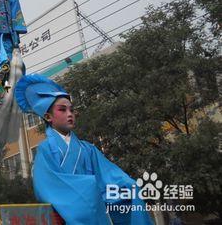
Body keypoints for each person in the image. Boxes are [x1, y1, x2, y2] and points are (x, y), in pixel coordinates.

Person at [15, 74, 154, 225]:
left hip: (95, 206)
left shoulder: (88, 149)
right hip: (65, 213)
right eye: (62, 110)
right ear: (48, 117)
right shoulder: (45, 150)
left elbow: (108, 175)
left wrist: (127, 185)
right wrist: (88, 190)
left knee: (130, 188)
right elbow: (47, 187)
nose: (70, 114)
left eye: (71, 110)